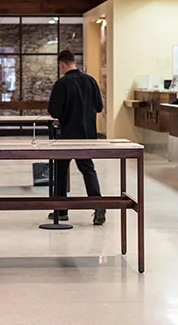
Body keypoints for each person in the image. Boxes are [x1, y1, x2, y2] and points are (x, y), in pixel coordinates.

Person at [46, 50, 106, 225]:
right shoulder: (91, 81)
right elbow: (99, 107)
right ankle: (98, 204)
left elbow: (54, 111)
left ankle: (61, 210)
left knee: (61, 171)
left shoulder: (62, 84)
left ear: (61, 64)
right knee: (88, 169)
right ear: (74, 62)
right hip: (87, 136)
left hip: (66, 136)